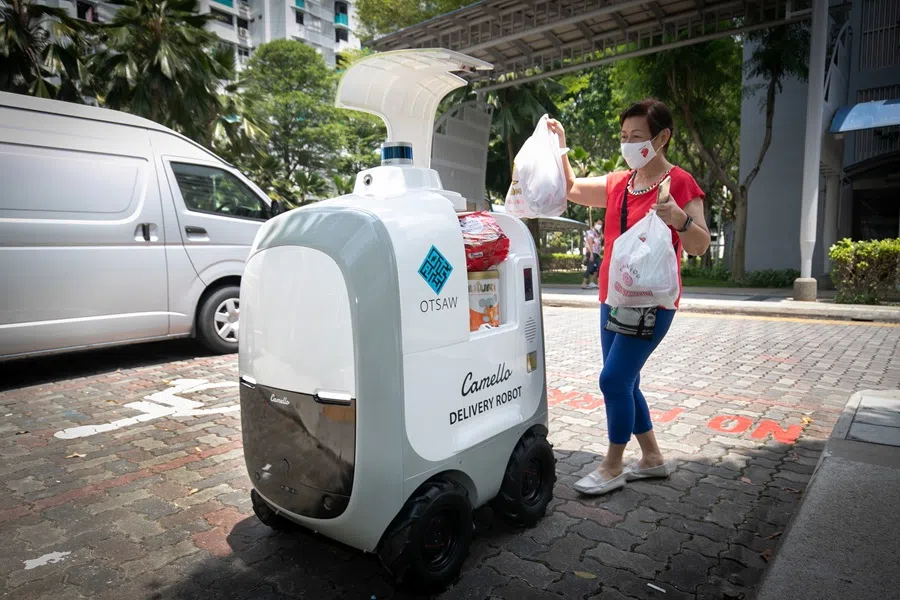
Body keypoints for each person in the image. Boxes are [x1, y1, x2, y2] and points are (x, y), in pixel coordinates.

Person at [547, 98, 711, 495]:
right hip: (612, 296)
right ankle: (652, 458)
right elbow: (571, 189)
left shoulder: (680, 183)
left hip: (653, 301)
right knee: (626, 381)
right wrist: (562, 145)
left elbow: (700, 245)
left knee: (613, 379)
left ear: (662, 137)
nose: (628, 143)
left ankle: (612, 465)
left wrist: (680, 219)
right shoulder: (619, 182)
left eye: (637, 137)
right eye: (624, 136)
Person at [582, 220, 602, 289]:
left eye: (601, 224)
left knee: (599, 268)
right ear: (595, 223)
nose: (600, 225)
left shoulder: (598, 233)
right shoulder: (591, 232)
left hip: (597, 253)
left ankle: (592, 282)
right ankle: (584, 283)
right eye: (598, 223)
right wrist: (591, 254)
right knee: (590, 268)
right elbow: (590, 243)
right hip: (591, 253)